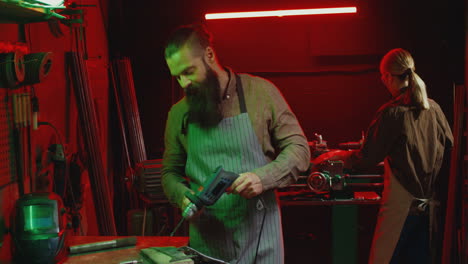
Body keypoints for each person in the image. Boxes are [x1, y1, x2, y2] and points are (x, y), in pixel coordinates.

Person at [161, 24, 310, 264]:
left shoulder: (261, 93)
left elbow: (299, 149)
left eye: (188, 71)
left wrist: (263, 177)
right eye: (177, 76)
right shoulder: (178, 114)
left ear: (209, 55)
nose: (184, 83)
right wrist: (182, 196)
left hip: (261, 236)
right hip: (208, 242)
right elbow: (169, 172)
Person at [314, 48, 453, 264]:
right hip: (429, 211)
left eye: (383, 77)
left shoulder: (392, 112)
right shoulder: (434, 109)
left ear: (388, 76)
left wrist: (336, 156)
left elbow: (365, 159)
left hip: (401, 211)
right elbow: (450, 149)